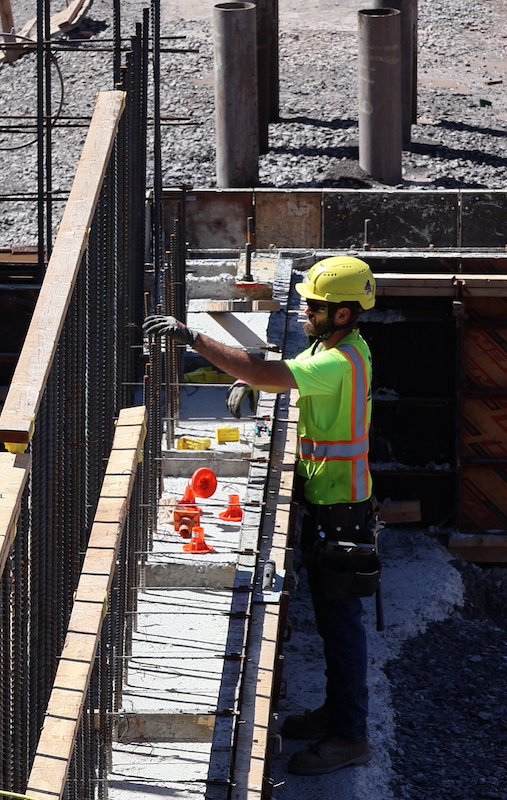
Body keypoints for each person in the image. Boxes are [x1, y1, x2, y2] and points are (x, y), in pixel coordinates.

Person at [142, 255, 378, 776]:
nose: (305, 313)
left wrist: (194, 338)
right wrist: (251, 379)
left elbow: (269, 373)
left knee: (342, 627)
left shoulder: (340, 361)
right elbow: (275, 374)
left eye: (314, 307)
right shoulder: (333, 346)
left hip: (340, 510)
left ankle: (350, 736)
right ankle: (337, 714)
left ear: (342, 314)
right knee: (333, 622)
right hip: (332, 503)